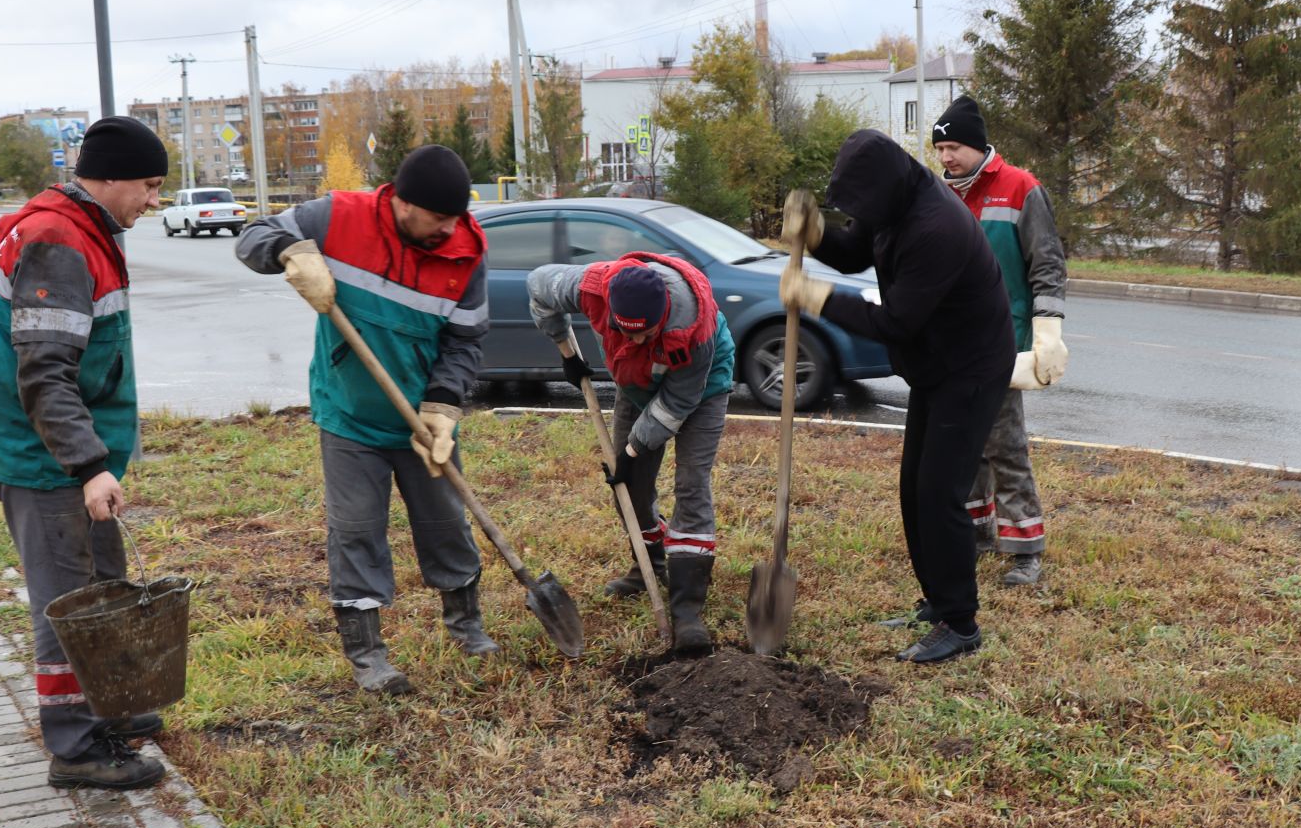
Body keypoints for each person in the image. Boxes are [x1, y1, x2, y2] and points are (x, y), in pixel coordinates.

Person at [235, 145, 492, 696]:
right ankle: (368, 655)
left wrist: (444, 409)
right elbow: (252, 236)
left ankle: (466, 624)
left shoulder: (467, 249)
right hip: (350, 415)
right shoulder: (337, 217)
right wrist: (291, 251)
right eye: (438, 218)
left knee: (448, 521)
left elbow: (466, 340)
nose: (449, 229)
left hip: (422, 417)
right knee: (356, 531)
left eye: (455, 218)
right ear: (402, 202)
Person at [0, 115, 168, 790]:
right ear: (109, 177)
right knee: (68, 602)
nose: (153, 199)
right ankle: (78, 747)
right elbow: (46, 372)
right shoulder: (58, 240)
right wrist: (87, 466)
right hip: (44, 461)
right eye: (148, 185)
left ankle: (107, 709)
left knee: (102, 581)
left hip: (72, 453)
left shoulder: (85, 230)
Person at [775, 129, 1010, 664]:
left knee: (939, 493)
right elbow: (857, 252)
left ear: (886, 187)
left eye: (861, 207)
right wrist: (816, 235)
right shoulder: (892, 196)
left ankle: (961, 623)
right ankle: (937, 600)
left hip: (970, 368)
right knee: (914, 489)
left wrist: (819, 298)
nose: (862, 215)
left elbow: (898, 321)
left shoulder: (937, 227)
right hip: (936, 363)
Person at [527, 250, 735, 653]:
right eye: (626, 332)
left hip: (701, 388)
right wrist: (567, 353)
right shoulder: (592, 287)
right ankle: (649, 566)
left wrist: (634, 448)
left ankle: (687, 610)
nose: (635, 339)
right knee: (629, 489)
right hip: (637, 384)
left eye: (644, 333)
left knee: (691, 484)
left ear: (662, 316)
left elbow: (677, 404)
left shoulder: (694, 323)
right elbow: (538, 284)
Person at [931, 95, 1068, 586]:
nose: (946, 158)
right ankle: (976, 532)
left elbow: (1047, 264)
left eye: (954, 147)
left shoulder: (1020, 189)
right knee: (961, 444)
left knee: (1005, 446)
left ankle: (1025, 549)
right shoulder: (939, 194)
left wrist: (1048, 327)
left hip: (1003, 344)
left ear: (978, 145)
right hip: (951, 346)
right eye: (940, 148)